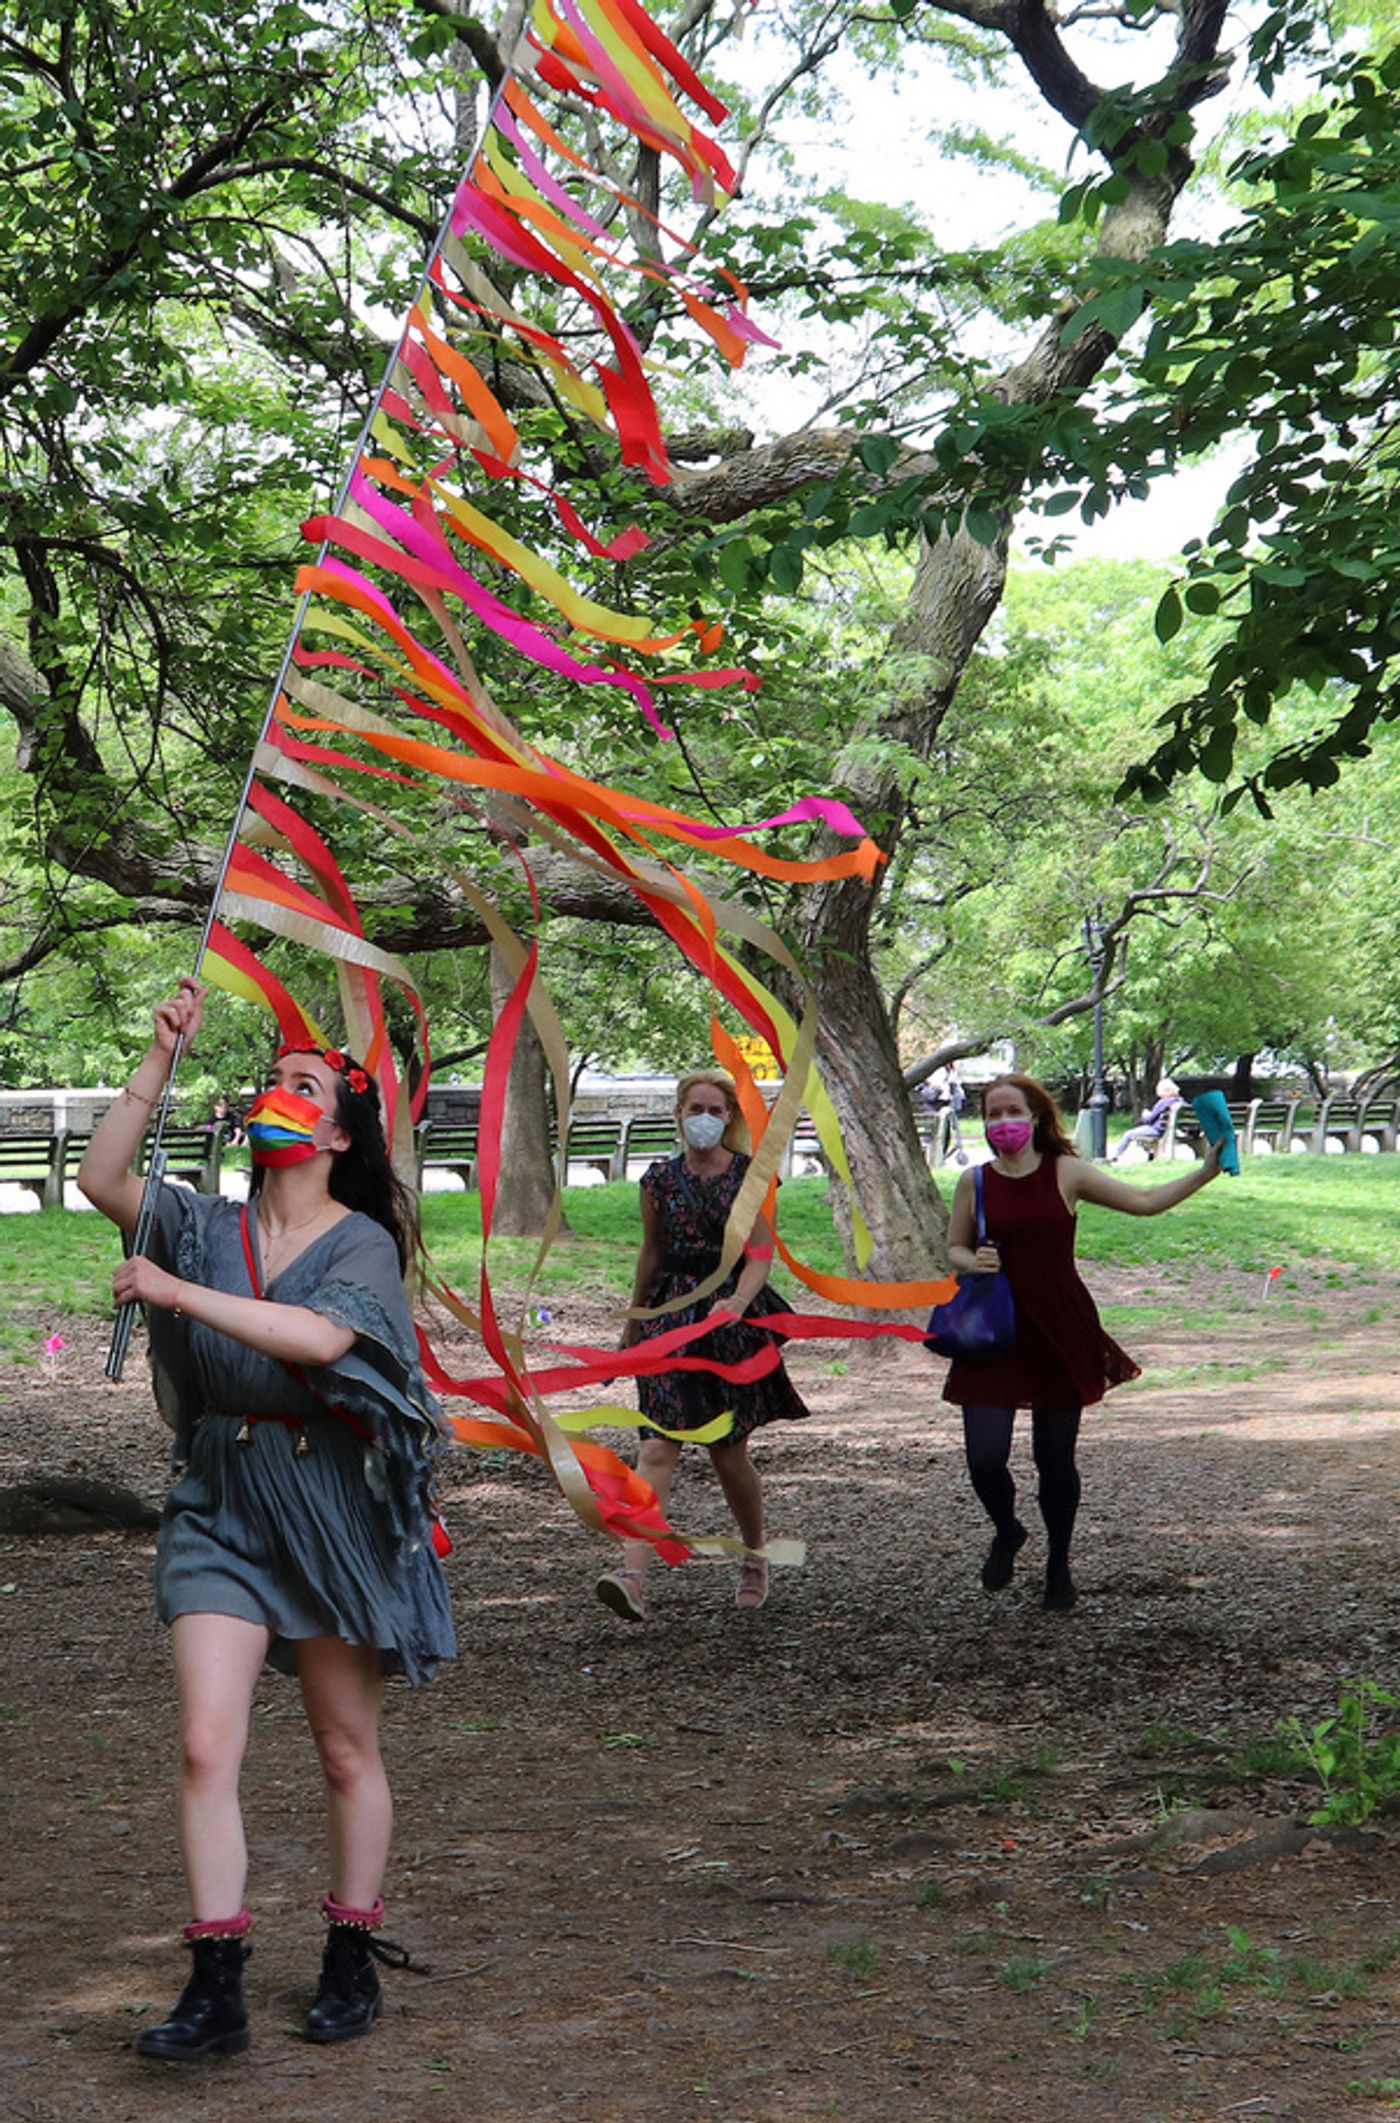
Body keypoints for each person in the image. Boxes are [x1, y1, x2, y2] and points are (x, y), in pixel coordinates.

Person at [78, 978, 455, 2062]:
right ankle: (216, 1983)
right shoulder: (200, 1220)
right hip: (220, 1499)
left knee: (344, 1747)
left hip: (332, 1507)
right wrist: (158, 1055)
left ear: (336, 1130)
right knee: (206, 1742)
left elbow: (323, 1342)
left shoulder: (360, 1245)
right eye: (269, 1080)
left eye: (303, 1085)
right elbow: (104, 1174)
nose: (275, 1093)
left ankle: (348, 1948)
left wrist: (174, 1292)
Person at [940, 1071, 1221, 1611]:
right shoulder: (974, 1182)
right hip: (993, 1329)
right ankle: (1007, 1529)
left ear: (1038, 1117)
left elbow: (1143, 1201)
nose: (1003, 1123)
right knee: (984, 1458)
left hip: (1059, 1327)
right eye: (993, 1114)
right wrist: (971, 1260)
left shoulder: (1065, 1172)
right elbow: (953, 1246)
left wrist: (1206, 1170)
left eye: (1012, 1112)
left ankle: (1059, 1566)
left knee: (1055, 1458)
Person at [595, 1068, 809, 1623]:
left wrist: (736, 1302)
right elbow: (651, 1255)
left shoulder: (748, 1177)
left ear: (731, 1117)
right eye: (696, 1109)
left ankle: (754, 1556)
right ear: (679, 1114)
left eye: (716, 1110)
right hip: (670, 1320)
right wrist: (633, 1323)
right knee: (656, 1447)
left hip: (728, 1321)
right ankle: (633, 1575)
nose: (705, 1119)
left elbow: (760, 1253)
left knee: (727, 1452)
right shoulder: (658, 1181)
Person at [1107, 1076, 1184, 1164]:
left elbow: (1149, 1120)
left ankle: (1115, 1156)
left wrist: (1145, 1115)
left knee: (1128, 1134)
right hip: (1171, 1130)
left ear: (1164, 1091)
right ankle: (1151, 1154)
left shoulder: (1163, 1102)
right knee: (1140, 1132)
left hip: (1158, 1130)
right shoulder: (1180, 1101)